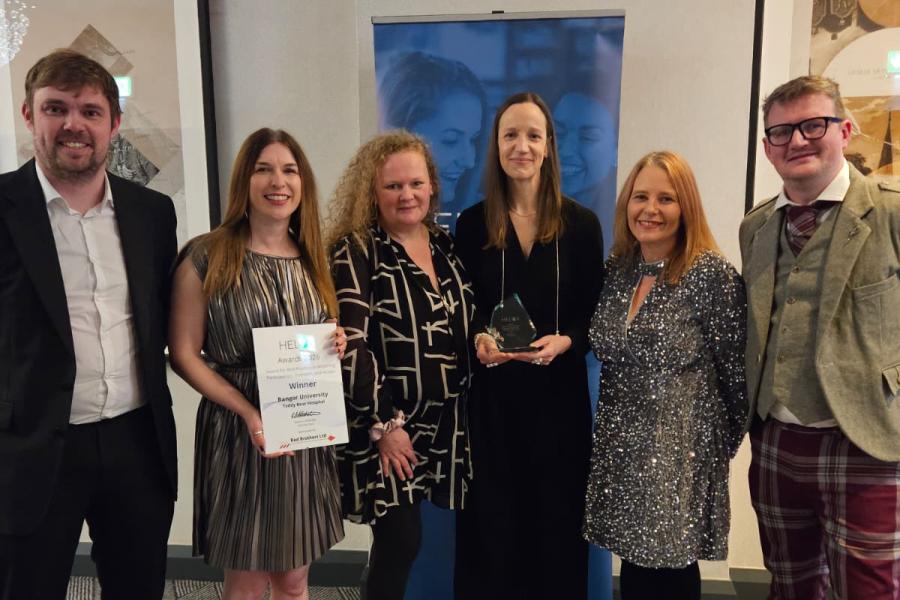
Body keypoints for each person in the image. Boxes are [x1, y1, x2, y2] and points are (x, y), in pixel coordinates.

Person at [0, 50, 178, 599]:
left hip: (136, 443)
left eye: (91, 111)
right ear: (30, 116)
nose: (74, 124)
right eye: (57, 108)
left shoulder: (152, 212)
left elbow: (175, 319)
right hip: (30, 449)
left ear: (113, 124)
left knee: (138, 589)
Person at [168, 128, 346, 599]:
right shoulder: (208, 255)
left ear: (302, 181)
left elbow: (314, 336)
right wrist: (249, 413)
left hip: (301, 432)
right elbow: (184, 355)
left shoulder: (312, 258)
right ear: (244, 180)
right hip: (239, 433)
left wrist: (333, 341)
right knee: (246, 581)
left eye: (289, 169)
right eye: (263, 168)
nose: (277, 181)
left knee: (295, 580)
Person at [741, 75, 900, 599]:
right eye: (782, 132)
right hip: (777, 441)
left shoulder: (893, 210)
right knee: (791, 585)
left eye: (814, 125)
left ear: (846, 131)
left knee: (869, 591)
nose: (798, 141)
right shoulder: (756, 226)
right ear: (767, 148)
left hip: (867, 440)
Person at [453, 92, 605, 600]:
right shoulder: (471, 224)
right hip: (492, 404)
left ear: (549, 147)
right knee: (492, 530)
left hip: (558, 404)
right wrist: (477, 335)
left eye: (533, 135)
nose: (522, 146)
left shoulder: (582, 225)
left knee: (555, 528)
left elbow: (594, 314)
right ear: (494, 147)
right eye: (510, 135)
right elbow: (466, 305)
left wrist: (567, 341)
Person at [583, 151, 747, 599]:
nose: (650, 210)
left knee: (669, 571)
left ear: (686, 206)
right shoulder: (619, 269)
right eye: (640, 197)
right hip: (621, 447)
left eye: (666, 198)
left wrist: (704, 451)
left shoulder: (710, 275)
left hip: (678, 455)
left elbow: (738, 377)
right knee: (634, 568)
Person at [326, 131, 474, 600]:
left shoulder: (447, 247)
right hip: (388, 424)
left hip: (447, 422)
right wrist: (385, 423)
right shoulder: (357, 250)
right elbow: (351, 344)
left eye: (415, 183)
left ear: (432, 186)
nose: (406, 195)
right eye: (392, 186)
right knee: (400, 541)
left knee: (408, 542)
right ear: (372, 192)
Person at [378, 51, 487, 221]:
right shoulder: (361, 241)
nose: (469, 161)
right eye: (450, 140)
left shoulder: (484, 216)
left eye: (473, 139)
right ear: (398, 138)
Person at [552, 86, 618, 240]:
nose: (567, 150)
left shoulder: (627, 225)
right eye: (559, 133)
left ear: (616, 151)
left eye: (588, 137)